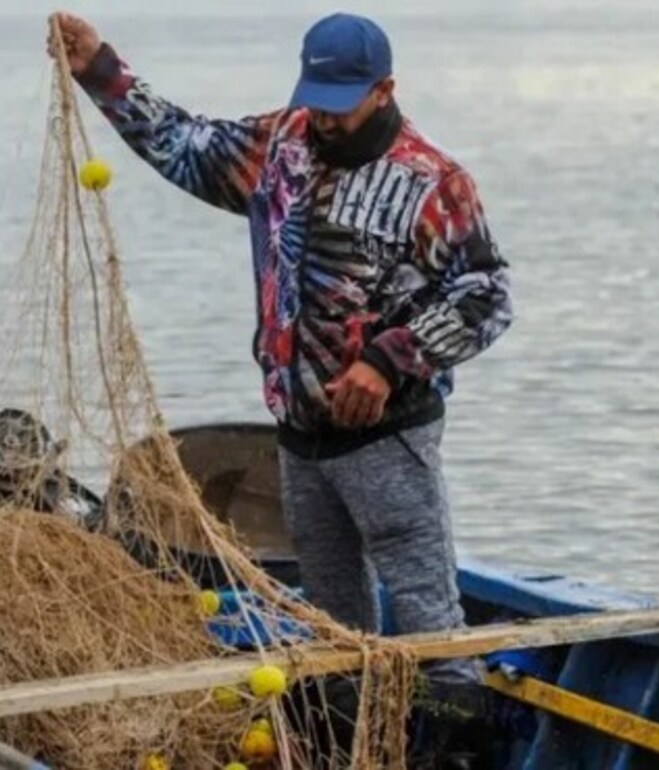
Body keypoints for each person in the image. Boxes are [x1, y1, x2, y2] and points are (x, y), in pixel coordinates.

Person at [50, 11, 513, 687]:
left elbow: (487, 295)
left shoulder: (431, 183)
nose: (325, 121)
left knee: (429, 623)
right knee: (332, 628)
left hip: (390, 441)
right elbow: (186, 143)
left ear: (384, 90)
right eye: (316, 105)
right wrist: (100, 70)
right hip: (300, 440)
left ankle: (448, 745)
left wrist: (389, 360)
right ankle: (351, 739)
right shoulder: (281, 146)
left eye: (341, 109)